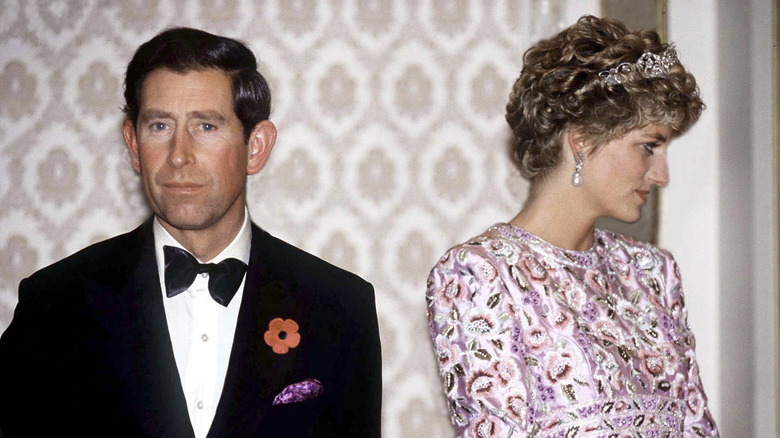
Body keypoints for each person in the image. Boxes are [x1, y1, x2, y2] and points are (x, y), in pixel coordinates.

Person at [0, 27, 381, 437]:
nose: (179, 155)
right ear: (133, 144)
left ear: (256, 147)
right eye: (160, 126)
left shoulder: (339, 309)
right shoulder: (54, 304)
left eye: (206, 127)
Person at [426, 15, 719, 437]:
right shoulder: (480, 274)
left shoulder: (654, 272)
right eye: (649, 147)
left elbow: (696, 427)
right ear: (581, 140)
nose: (661, 175)